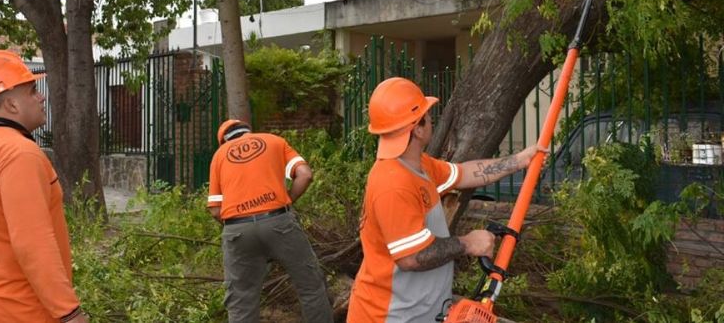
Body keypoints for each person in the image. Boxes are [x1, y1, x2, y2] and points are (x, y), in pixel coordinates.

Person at [347, 77, 544, 323]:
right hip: (389, 317)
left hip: (417, 313)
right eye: (427, 115)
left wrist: (520, 160)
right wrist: (468, 243)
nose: (432, 119)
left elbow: (466, 173)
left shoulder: (418, 164)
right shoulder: (392, 184)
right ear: (417, 129)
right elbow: (412, 257)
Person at [0, 50, 88, 323]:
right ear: (11, 105)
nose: (41, 97)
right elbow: (32, 242)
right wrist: (69, 312)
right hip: (22, 313)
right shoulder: (18, 153)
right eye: (33, 91)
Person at [207, 119, 333, 323]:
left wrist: (241, 224)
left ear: (224, 141)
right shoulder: (274, 141)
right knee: (310, 286)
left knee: (241, 300)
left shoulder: (220, 155)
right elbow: (305, 174)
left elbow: (215, 209)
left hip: (237, 229)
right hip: (278, 221)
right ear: (249, 131)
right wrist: (286, 202)